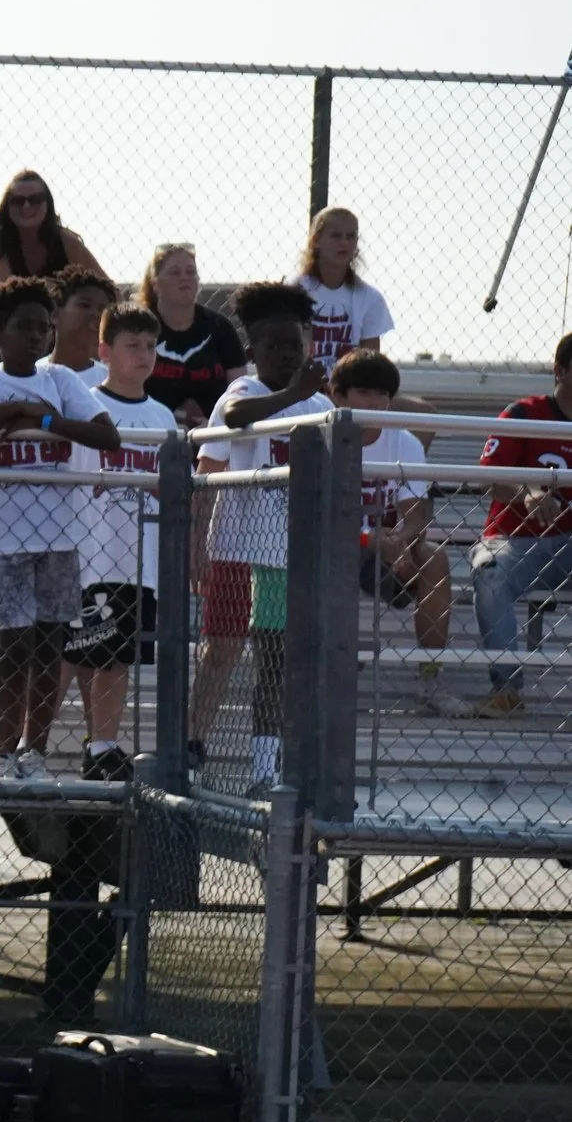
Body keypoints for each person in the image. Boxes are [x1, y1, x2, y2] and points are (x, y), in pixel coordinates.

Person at [0, 277, 118, 780]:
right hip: (2, 539)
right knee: (13, 645)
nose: (37, 336)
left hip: (59, 537)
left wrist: (47, 421)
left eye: (44, 327)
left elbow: (108, 434)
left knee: (49, 646)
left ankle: (34, 750)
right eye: (25, 327)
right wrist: (13, 409)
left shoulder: (59, 381)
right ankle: (2, 750)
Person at [194, 282, 333, 792]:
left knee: (275, 661)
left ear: (308, 347)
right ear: (252, 352)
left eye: (294, 345)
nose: (285, 353)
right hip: (235, 549)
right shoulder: (246, 392)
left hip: (285, 556)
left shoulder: (318, 403)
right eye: (273, 346)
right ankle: (193, 745)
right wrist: (197, 546)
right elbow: (228, 432)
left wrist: (303, 396)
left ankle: (263, 768)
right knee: (222, 653)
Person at [63, 305, 173, 776]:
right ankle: (24, 745)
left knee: (113, 661)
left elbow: (174, 490)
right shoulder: (82, 406)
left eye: (150, 345)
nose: (143, 355)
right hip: (83, 557)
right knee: (65, 657)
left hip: (135, 560)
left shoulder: (162, 415)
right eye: (132, 345)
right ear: (105, 351)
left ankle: (102, 749)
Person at [331, 350, 469, 719]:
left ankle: (429, 680)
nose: (375, 402)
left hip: (385, 547)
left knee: (435, 556)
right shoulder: (322, 439)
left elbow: (416, 512)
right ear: (338, 396)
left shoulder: (404, 441)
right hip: (328, 548)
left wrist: (402, 541)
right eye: (364, 392)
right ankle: (327, 668)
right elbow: (318, 517)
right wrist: (368, 539)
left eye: (382, 394)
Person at [468, 332, 572, 720]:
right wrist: (529, 492)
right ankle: (507, 691)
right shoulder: (525, 414)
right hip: (517, 539)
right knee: (490, 570)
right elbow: (488, 479)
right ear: (559, 370)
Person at [136, 242, 246, 429]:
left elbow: (239, 392)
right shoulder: (139, 326)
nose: (184, 278)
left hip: (212, 433)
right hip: (152, 431)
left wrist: (215, 425)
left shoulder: (219, 327)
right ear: (155, 283)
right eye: (174, 272)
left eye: (190, 272)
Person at [292, 206, 393, 373]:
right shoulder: (295, 291)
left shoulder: (370, 297)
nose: (344, 243)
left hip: (349, 390)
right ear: (316, 240)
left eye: (350, 236)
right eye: (336, 236)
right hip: (302, 389)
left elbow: (370, 362)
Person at [0, 171, 107, 283]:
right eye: (17, 201)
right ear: (7, 208)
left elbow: (108, 289)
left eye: (35, 199)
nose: (26, 206)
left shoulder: (67, 243)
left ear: (48, 204)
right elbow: (1, 301)